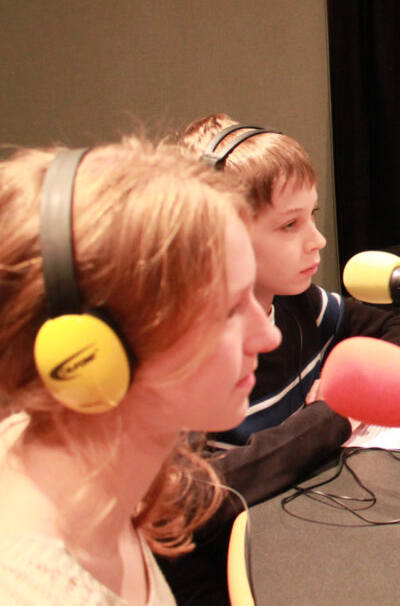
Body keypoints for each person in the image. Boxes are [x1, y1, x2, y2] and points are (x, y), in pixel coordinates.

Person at [0, 139, 280, 602]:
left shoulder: (73, 465)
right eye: (229, 311)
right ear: (91, 350)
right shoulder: (34, 591)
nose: (269, 337)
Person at [162, 115, 400, 601]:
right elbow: (196, 499)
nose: (317, 239)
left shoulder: (297, 303)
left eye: (311, 215)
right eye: (289, 224)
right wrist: (338, 412)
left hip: (311, 537)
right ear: (216, 239)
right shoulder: (182, 359)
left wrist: (352, 381)